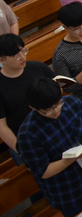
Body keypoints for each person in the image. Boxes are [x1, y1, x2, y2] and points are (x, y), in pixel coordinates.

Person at [18, 78, 82, 217]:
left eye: (57, 104)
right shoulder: (27, 134)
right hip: (69, 191)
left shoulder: (72, 103)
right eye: (48, 110)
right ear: (33, 108)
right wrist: (73, 157)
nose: (55, 111)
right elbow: (43, 171)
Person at [0, 34, 54, 163]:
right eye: (16, 55)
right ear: (2, 60)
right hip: (26, 141)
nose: (22, 57)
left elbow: (57, 91)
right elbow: (2, 127)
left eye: (23, 51)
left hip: (53, 131)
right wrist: (22, 150)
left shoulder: (38, 67)